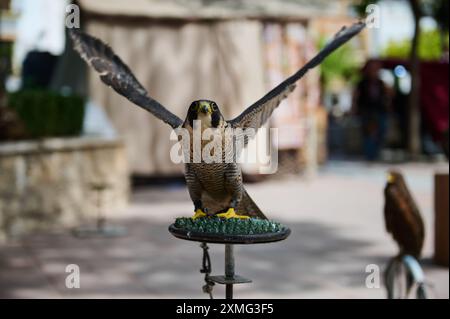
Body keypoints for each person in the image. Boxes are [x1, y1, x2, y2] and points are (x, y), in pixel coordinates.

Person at [352, 61, 391, 160]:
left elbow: (388, 96)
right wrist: (354, 109)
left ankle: (376, 153)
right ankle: (370, 155)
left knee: (381, 131)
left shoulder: (381, 83)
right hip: (367, 111)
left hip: (379, 110)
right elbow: (356, 97)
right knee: (368, 133)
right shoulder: (361, 83)